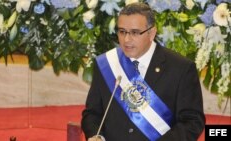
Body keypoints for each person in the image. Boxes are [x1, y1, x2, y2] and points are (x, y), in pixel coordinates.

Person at [81, 2, 205, 141]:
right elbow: (92, 113)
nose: (126, 39)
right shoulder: (107, 64)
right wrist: (97, 136)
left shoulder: (181, 69)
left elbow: (192, 122)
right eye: (122, 32)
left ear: (151, 33)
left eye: (135, 32)